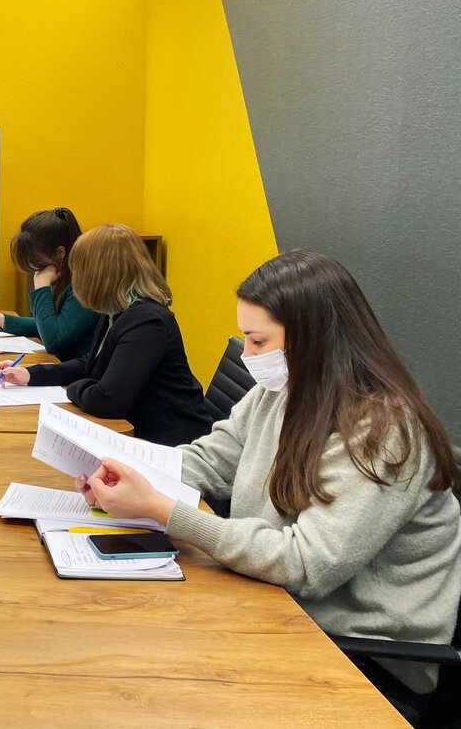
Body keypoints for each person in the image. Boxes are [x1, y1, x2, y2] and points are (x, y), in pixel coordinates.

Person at [73, 251, 461, 715]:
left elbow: (307, 564)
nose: (246, 355)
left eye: (258, 341)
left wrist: (162, 510)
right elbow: (211, 460)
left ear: (314, 339)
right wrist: (127, 474)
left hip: (360, 655)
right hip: (273, 602)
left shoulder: (383, 431)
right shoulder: (279, 391)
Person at [0, 224, 210, 446]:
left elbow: (107, 401)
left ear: (99, 276)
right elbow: (92, 364)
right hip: (140, 432)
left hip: (171, 446)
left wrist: (73, 388)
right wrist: (31, 375)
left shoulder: (146, 322)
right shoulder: (118, 311)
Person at [0, 207, 98, 359]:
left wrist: (41, 286)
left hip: (76, 368)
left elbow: (54, 340)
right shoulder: (63, 275)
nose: (36, 271)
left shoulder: (84, 284)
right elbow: (48, 324)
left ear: (60, 252)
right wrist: (2, 320)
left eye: (38, 262)